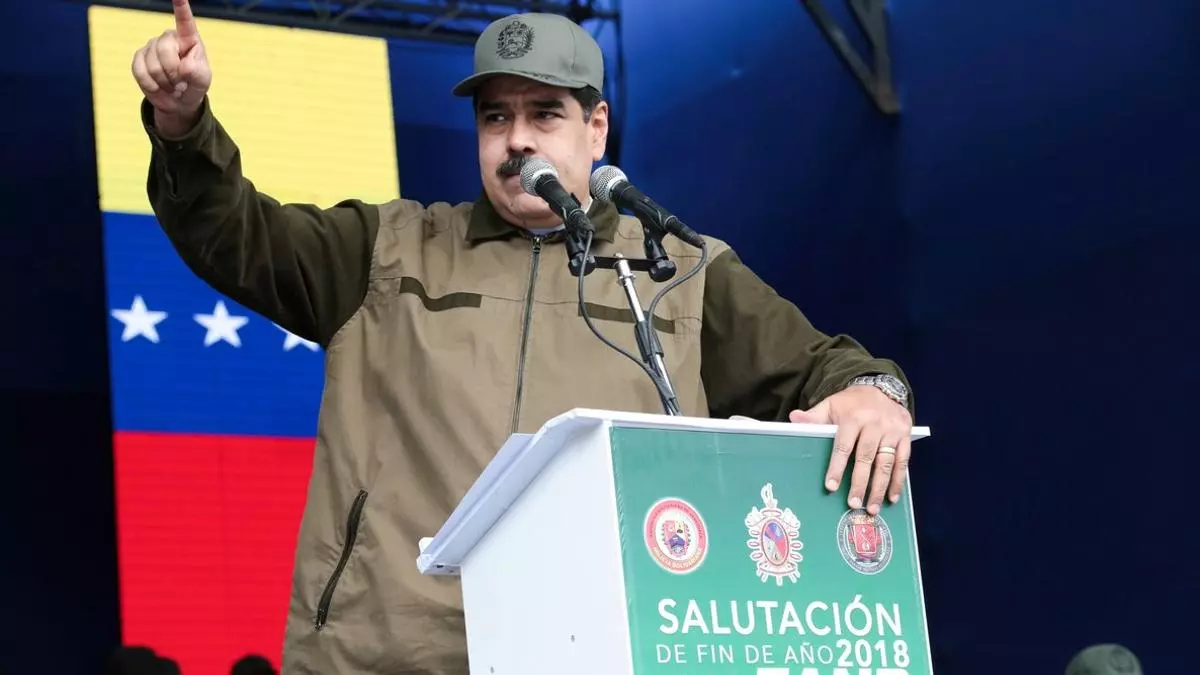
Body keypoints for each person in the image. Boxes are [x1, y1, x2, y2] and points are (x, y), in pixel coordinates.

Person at [130, 2, 916, 673]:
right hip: (386, 653)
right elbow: (232, 234)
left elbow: (826, 368)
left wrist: (874, 394)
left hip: (591, 651)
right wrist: (183, 126)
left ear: (596, 128)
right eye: (496, 117)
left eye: (545, 113)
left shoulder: (677, 269)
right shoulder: (387, 251)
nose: (516, 140)